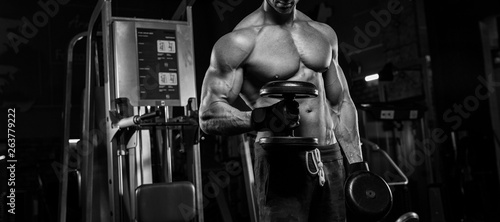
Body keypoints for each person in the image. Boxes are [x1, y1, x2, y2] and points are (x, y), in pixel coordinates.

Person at [199, 0, 363, 221]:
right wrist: (261, 118)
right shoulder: (240, 41)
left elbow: (341, 102)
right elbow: (208, 115)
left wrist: (356, 164)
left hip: (329, 156)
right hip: (280, 162)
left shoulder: (323, 34)